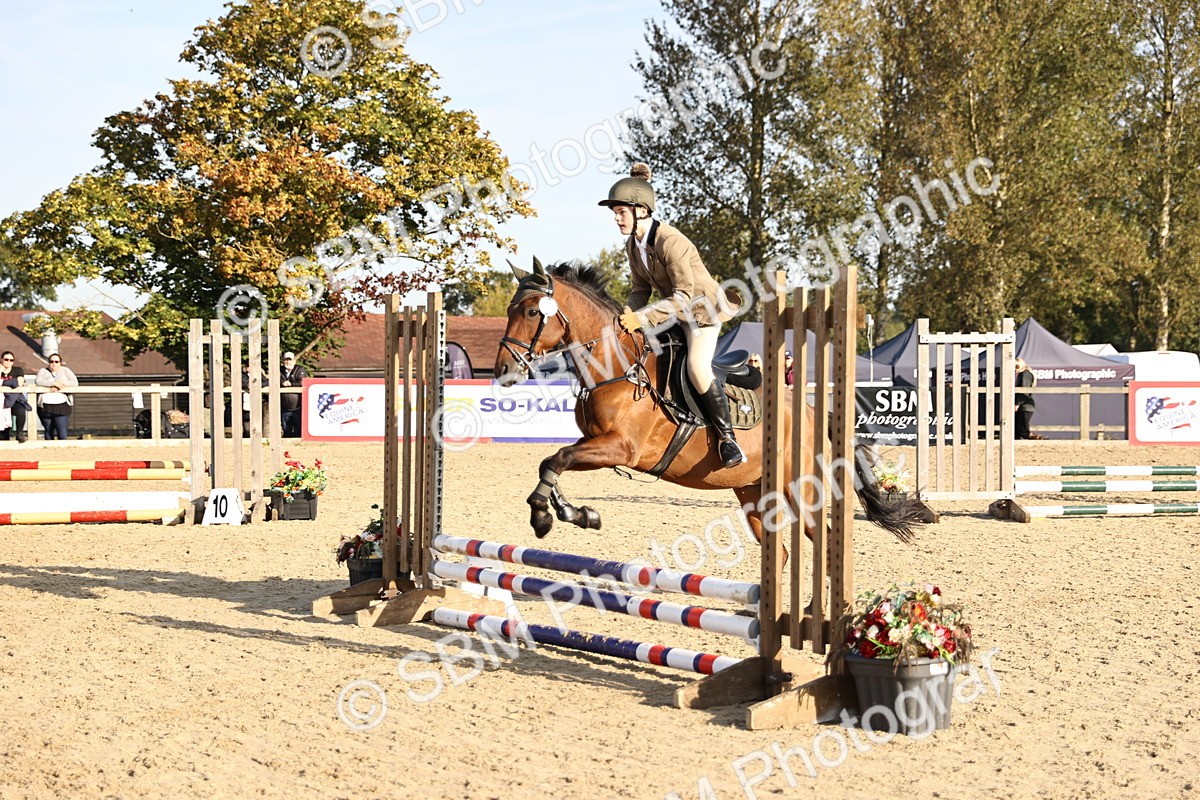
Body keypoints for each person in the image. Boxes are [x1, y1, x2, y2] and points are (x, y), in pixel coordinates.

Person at [599, 162, 745, 469]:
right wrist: (627, 315)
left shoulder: (671, 241)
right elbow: (640, 288)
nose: (615, 218)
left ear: (640, 210)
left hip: (703, 310)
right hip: (674, 311)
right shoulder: (633, 245)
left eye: (621, 212)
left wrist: (643, 319)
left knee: (696, 367)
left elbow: (684, 295)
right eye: (614, 212)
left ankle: (727, 439)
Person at [35, 353, 78, 440]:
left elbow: (75, 382)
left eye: (56, 361)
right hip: (45, 406)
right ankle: (49, 451)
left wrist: (61, 384)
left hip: (61, 405)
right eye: (51, 361)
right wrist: (53, 383)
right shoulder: (43, 371)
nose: (54, 363)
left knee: (61, 430)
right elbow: (38, 381)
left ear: (60, 363)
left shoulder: (65, 370)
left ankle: (62, 451)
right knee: (48, 430)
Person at [1, 351, 32, 442]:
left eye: (11, 360)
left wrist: (3, 383)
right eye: (6, 359)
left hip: (14, 398)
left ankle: (19, 433)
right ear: (1, 360)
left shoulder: (17, 370)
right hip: (1, 401)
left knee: (21, 411)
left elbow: (19, 383)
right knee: (3, 417)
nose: (8, 362)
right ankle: (4, 437)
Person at [280, 351, 307, 438]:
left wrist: (291, 383)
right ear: (283, 361)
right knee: (286, 430)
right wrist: (282, 383)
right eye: (286, 360)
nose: (288, 362)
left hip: (298, 408)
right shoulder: (279, 370)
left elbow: (303, 381)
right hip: (284, 408)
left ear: (294, 361)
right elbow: (273, 380)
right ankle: (287, 451)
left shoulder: (300, 369)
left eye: (290, 360)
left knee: (298, 431)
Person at [1014, 358, 1039, 440]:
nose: (1015, 369)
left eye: (1016, 366)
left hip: (1024, 405)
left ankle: (1037, 438)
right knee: (1019, 430)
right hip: (1024, 405)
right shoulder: (1023, 374)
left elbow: (1024, 390)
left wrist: (1018, 403)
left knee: (1022, 431)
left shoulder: (1025, 374)